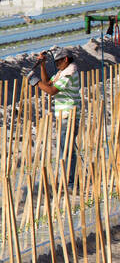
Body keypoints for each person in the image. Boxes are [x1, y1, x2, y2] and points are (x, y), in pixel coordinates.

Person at [33, 47, 81, 187]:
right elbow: (48, 82)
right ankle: (70, 181)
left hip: (69, 116)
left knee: (66, 151)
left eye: (58, 62)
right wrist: (42, 65)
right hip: (63, 116)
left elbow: (51, 90)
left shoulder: (69, 73)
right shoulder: (62, 72)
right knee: (65, 150)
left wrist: (36, 82)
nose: (57, 65)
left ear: (66, 59)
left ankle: (71, 183)